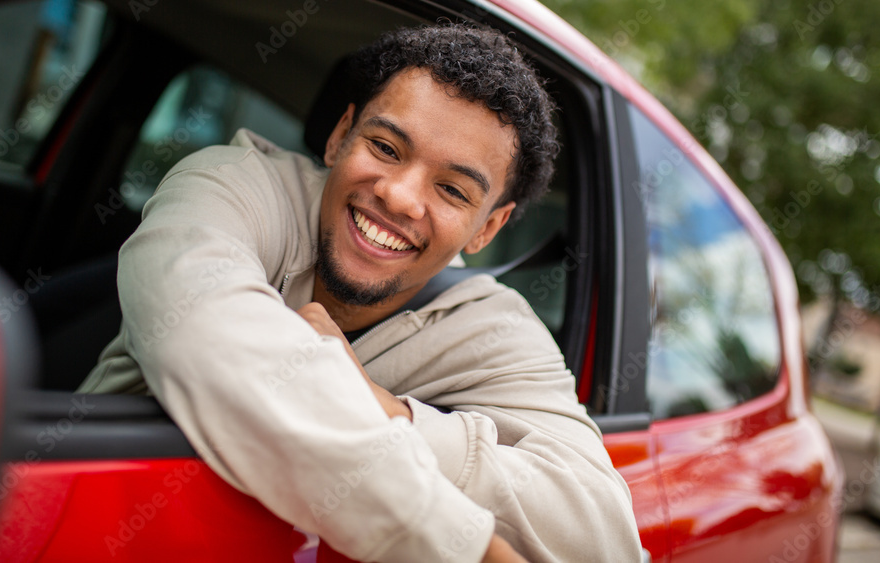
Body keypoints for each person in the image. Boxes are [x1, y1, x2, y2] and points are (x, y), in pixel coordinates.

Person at [79, 23, 641, 562]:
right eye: (386, 148)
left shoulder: (496, 330)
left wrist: (395, 413)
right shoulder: (230, 186)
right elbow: (204, 337)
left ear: (487, 229)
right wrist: (466, 548)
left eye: (451, 189)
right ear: (338, 136)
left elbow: (604, 535)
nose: (399, 197)